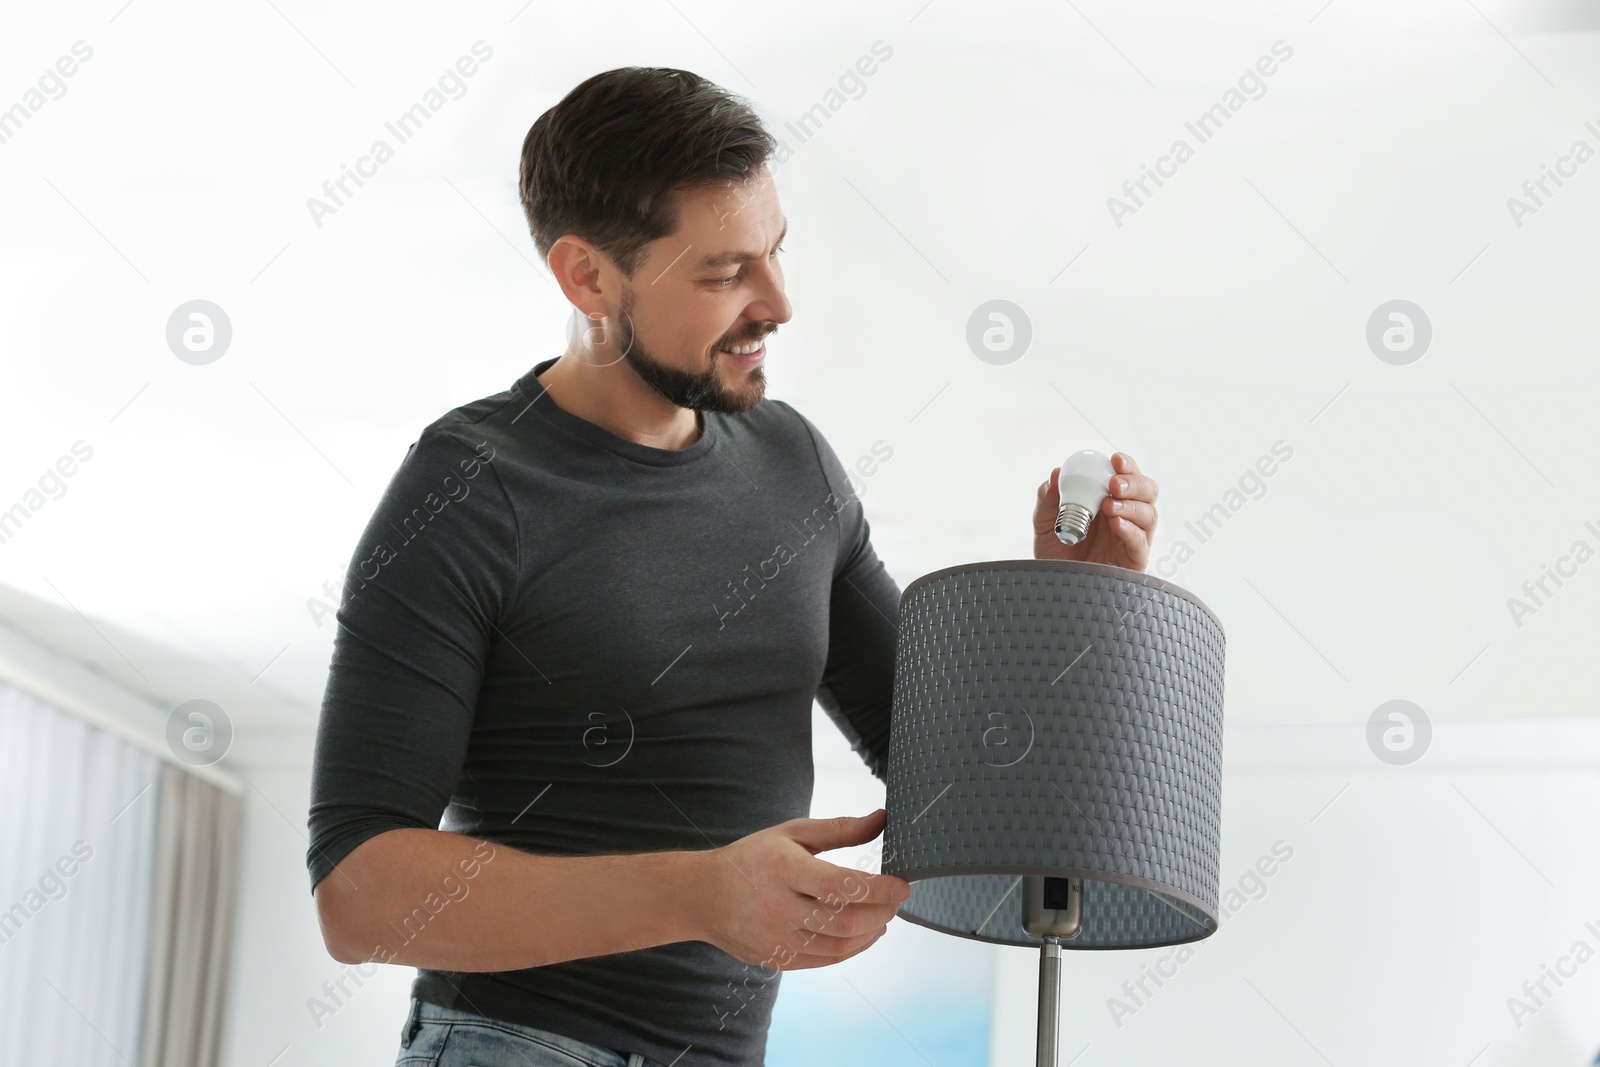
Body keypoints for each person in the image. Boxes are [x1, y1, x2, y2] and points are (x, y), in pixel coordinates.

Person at [305, 66, 1160, 1067]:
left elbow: (963, 775)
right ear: (588, 278)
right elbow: (358, 894)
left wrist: (1081, 598)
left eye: (776, 253)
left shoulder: (795, 468)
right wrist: (700, 892)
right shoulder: (470, 489)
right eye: (722, 273)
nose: (778, 303)